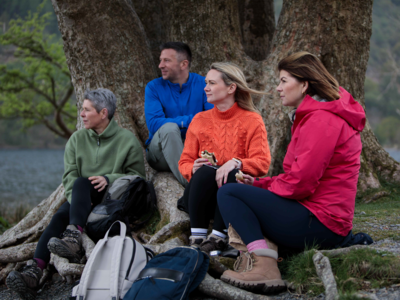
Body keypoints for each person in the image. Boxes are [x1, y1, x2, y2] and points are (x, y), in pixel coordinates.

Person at [217, 52, 369, 293]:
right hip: (322, 217)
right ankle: (263, 258)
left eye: (283, 81)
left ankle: (265, 267)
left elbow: (300, 184)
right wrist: (258, 184)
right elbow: (298, 177)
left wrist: (256, 189)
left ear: (304, 84)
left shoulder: (322, 120)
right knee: (241, 191)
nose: (278, 88)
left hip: (322, 222)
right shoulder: (316, 116)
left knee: (229, 194)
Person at [6, 88, 146, 299]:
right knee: (60, 214)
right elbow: (69, 177)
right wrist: (80, 202)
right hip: (81, 198)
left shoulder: (127, 140)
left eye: (86, 110)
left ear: (103, 113)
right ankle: (34, 270)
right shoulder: (76, 139)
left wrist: (108, 178)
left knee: (81, 185)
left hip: (112, 198)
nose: (81, 114)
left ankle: (73, 237)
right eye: (82, 109)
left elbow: (137, 177)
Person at [178, 62, 271, 253]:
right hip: (200, 195)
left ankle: (218, 238)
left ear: (231, 88)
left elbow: (262, 162)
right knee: (204, 171)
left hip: (233, 194)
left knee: (231, 172)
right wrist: (192, 168)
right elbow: (184, 161)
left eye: (212, 83)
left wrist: (236, 162)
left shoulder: (252, 120)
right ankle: (197, 238)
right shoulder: (199, 120)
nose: (206, 88)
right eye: (206, 83)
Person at [145, 42, 213, 187]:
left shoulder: (203, 84)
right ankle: (190, 183)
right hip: (160, 154)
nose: (160, 65)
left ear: (183, 64)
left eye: (166, 61)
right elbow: (154, 124)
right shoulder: (153, 87)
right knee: (169, 128)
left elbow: (212, 119)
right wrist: (188, 121)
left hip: (195, 150)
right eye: (160, 60)